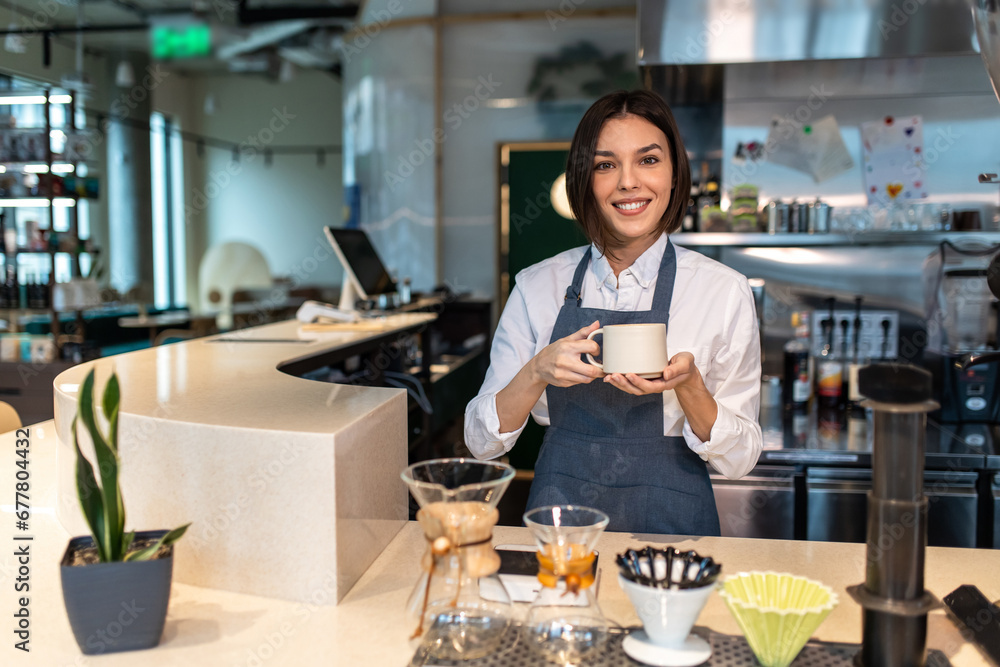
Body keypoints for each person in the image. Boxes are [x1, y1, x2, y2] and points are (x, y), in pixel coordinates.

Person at [464, 89, 762, 536]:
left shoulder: (723, 292)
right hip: (561, 525)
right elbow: (480, 443)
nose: (628, 182)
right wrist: (536, 371)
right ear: (584, 181)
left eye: (648, 160)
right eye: (606, 165)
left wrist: (691, 388)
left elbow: (740, 461)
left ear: (675, 175)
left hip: (674, 525)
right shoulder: (535, 286)